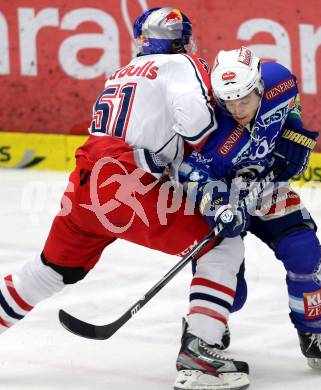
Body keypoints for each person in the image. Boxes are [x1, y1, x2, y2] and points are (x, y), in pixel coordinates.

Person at [0, 8, 250, 390]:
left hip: (84, 181)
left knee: (51, 269)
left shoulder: (122, 72)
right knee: (222, 243)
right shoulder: (182, 64)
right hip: (124, 184)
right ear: (182, 40)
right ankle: (200, 355)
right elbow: (198, 123)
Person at [175, 46, 321, 385]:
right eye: (228, 102)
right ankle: (206, 326)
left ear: (259, 86)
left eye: (243, 99)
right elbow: (190, 172)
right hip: (226, 198)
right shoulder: (217, 131)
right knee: (232, 290)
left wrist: (294, 130)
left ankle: (313, 335)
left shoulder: (280, 81)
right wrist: (219, 206)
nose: (236, 109)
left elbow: (291, 105)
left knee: (304, 250)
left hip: (267, 185)